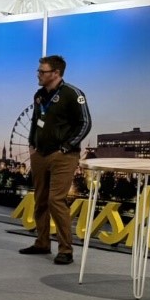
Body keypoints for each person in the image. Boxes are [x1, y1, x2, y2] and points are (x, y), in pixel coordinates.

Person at [21, 54, 90, 265]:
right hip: (39, 155)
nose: (38, 75)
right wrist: (32, 145)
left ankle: (66, 250)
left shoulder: (73, 94)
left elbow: (85, 123)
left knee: (56, 200)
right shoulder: (39, 95)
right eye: (38, 71)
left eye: (42, 72)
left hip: (63, 156)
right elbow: (35, 122)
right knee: (40, 199)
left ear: (56, 73)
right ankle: (42, 242)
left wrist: (66, 148)